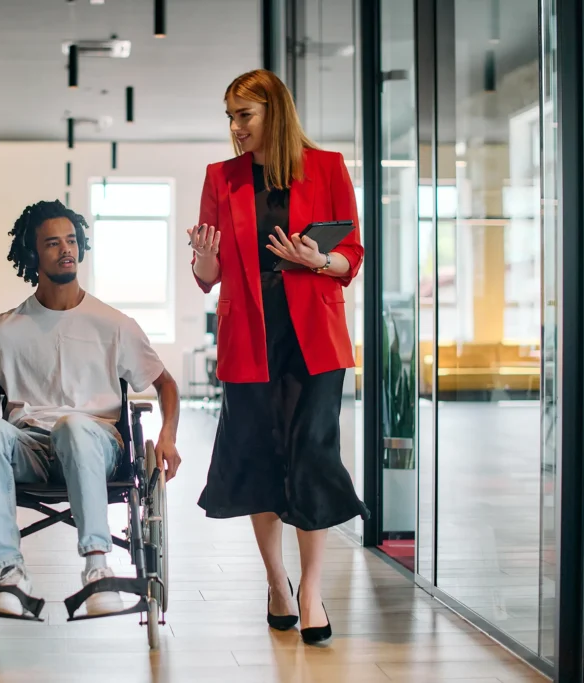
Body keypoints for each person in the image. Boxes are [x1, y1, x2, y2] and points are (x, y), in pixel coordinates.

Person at [189, 69, 368, 645]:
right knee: (259, 458)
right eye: (231, 117)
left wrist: (318, 259)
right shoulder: (222, 177)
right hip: (250, 339)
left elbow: (351, 256)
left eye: (245, 115)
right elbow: (209, 277)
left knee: (312, 458)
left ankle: (313, 590)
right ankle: (276, 582)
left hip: (314, 338)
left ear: (275, 112)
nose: (236, 128)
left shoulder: (328, 167)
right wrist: (203, 258)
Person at [0, 200, 181, 618]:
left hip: (96, 443)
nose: (66, 249)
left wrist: (167, 437)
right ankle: (10, 571)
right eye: (52, 243)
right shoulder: (6, 329)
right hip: (29, 446)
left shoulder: (112, 324)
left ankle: (98, 568)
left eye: (71, 240)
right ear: (33, 255)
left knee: (73, 425)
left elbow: (165, 384)